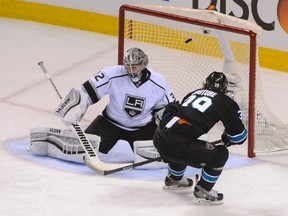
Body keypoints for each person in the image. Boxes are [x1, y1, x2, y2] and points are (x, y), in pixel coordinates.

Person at [30, 47, 175, 167]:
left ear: (143, 65)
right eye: (128, 66)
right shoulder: (111, 74)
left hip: (143, 128)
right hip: (110, 124)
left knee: (159, 158)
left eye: (134, 66)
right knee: (83, 150)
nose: (130, 70)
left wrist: (165, 124)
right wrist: (74, 107)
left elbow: (167, 109)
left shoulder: (159, 82)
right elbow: (86, 92)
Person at [153, 71, 248, 205]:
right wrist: (227, 137)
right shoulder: (226, 102)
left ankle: (174, 179)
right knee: (220, 154)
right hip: (178, 146)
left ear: (205, 84)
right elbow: (239, 137)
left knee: (184, 140)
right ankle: (203, 190)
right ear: (224, 89)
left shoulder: (193, 93)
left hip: (159, 139)